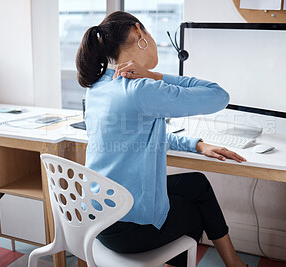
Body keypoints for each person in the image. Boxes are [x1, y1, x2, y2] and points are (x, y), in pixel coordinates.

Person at [76, 11, 247, 267]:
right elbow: (218, 95)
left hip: (100, 218)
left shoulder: (98, 86)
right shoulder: (141, 88)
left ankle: (233, 264)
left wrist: (197, 145)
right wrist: (155, 76)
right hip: (129, 229)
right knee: (196, 212)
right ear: (138, 32)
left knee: (196, 184)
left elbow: (143, 137)